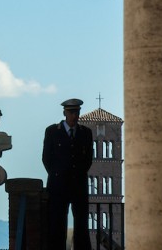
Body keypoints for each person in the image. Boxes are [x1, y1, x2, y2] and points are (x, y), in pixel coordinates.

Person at [42, 98, 93, 250]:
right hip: (58, 187)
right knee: (57, 224)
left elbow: (88, 159)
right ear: (64, 112)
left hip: (78, 186)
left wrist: (78, 174)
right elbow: (46, 158)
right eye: (71, 112)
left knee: (81, 225)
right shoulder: (52, 131)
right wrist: (57, 175)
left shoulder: (86, 133)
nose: (74, 115)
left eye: (76, 112)